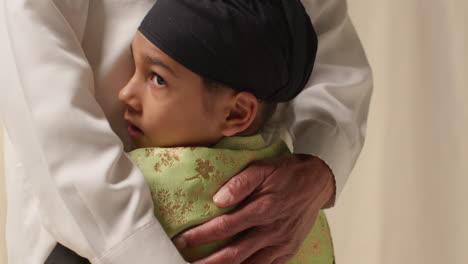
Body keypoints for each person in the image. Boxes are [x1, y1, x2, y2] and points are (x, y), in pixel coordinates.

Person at [1, 1, 372, 264]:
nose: (127, 93)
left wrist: (318, 171)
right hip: (87, 234)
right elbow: (53, 122)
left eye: (156, 78)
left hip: (258, 229)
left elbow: (328, 55)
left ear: (239, 112)